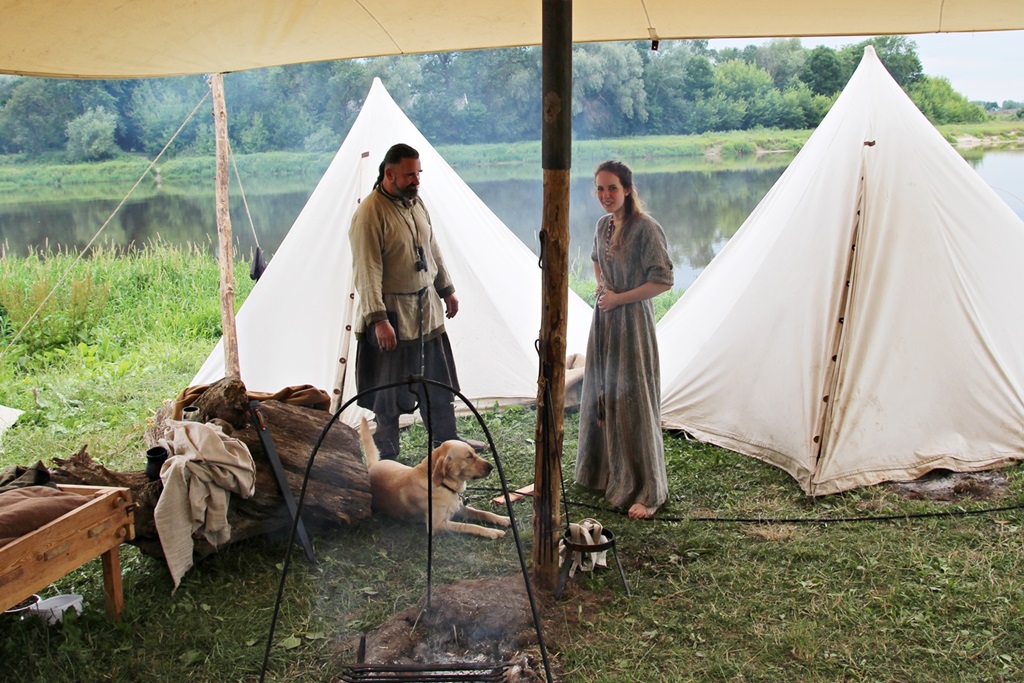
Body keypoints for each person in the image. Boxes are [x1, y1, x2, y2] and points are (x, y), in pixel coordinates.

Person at [349, 143, 467, 459]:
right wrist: (379, 320)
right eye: (409, 175)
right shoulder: (370, 214)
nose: (416, 180)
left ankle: (448, 444)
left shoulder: (415, 203)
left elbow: (431, 246)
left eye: (418, 173)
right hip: (392, 316)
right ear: (389, 174)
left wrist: (446, 289)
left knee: (438, 386)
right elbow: (366, 271)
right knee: (388, 396)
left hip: (426, 312)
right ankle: (387, 458)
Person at [575, 160, 674, 519]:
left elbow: (663, 280)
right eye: (600, 188)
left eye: (612, 188)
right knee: (603, 393)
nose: (605, 195)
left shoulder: (646, 228)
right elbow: (596, 259)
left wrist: (620, 298)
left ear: (627, 189)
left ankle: (648, 490)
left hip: (632, 322)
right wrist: (604, 286)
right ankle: (604, 473)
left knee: (633, 398)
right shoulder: (603, 225)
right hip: (605, 320)